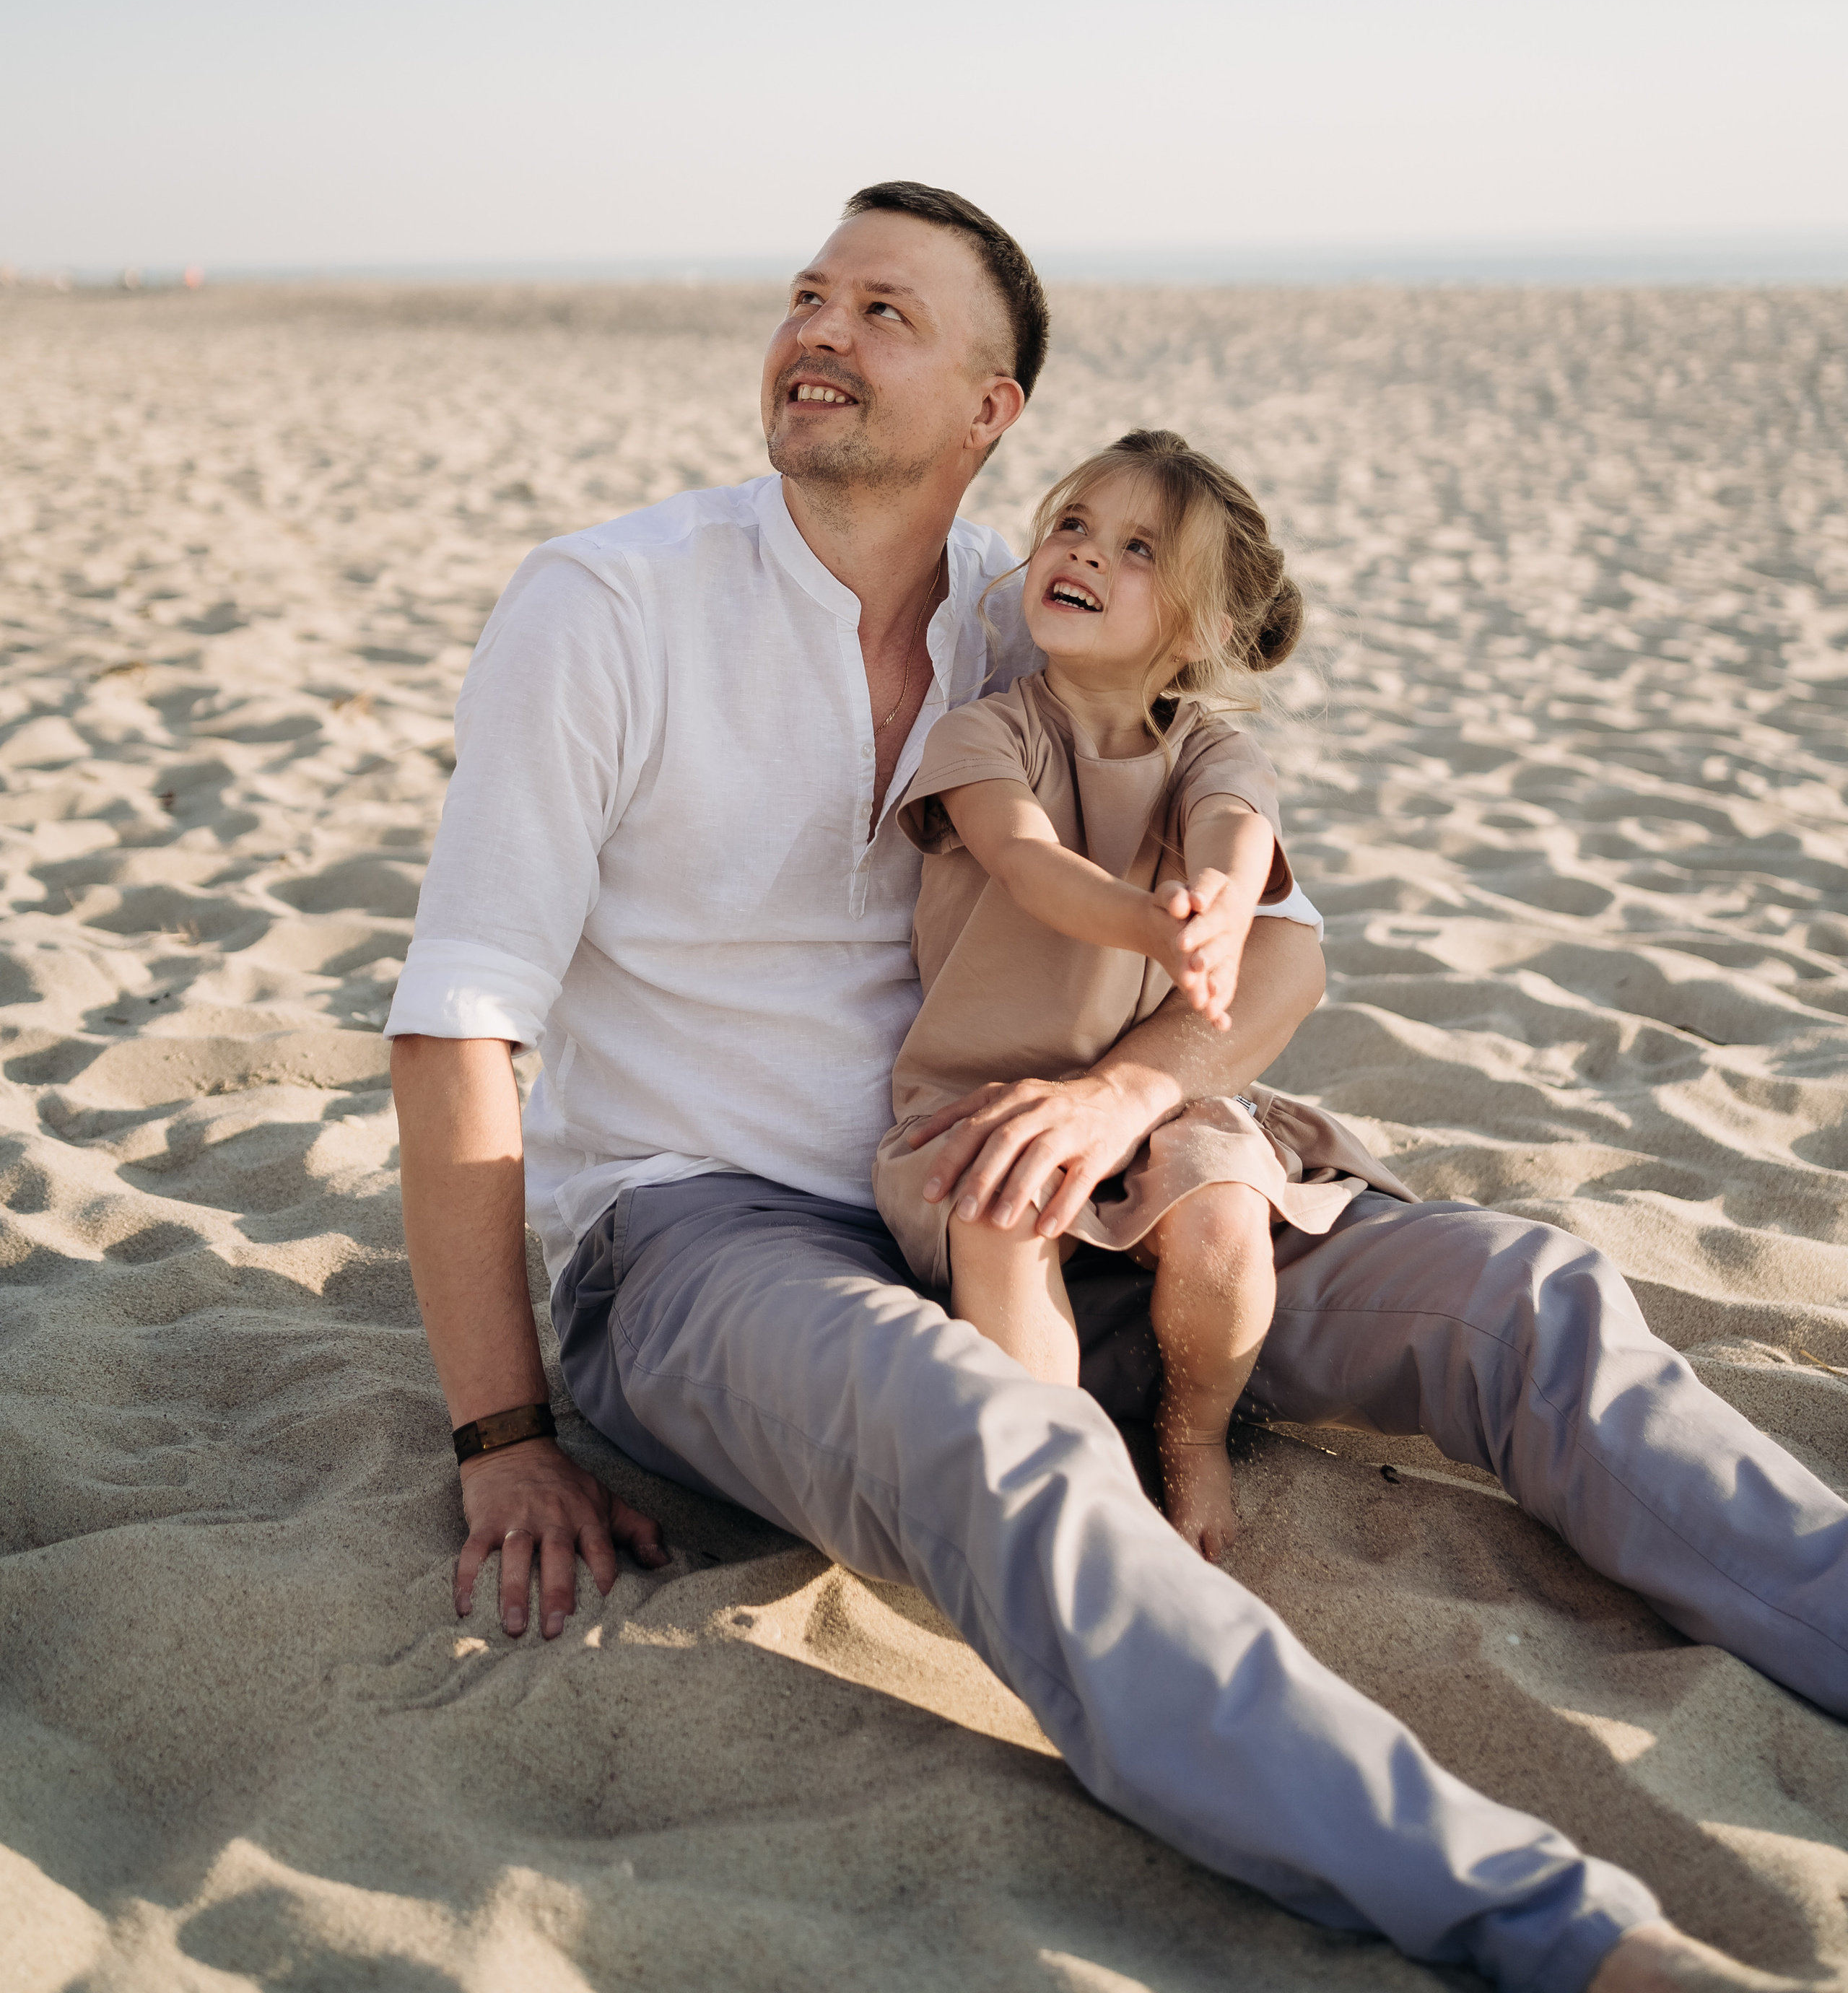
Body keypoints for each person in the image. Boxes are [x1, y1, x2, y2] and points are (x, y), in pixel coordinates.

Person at [388, 180, 1835, 1993]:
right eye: (807, 296)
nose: (821, 333)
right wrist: (502, 1439)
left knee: (1519, 1293)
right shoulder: (605, 604)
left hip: (1082, 1181)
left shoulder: (1048, 608)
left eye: (886, 313)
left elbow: (1282, 951)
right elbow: (457, 1024)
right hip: (714, 1231)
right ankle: (1567, 1940)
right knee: (1002, 1442)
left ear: (993, 411)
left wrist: (1118, 1097)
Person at [873, 426, 1415, 1560]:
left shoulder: (1209, 749)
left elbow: (1233, 826)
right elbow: (1025, 864)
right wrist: (1156, 927)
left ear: (1205, 629)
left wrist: (1218, 901)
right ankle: (1072, 1486)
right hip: (982, 1093)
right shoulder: (986, 732)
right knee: (1000, 1213)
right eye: (1070, 526)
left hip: (1154, 1100)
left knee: (1222, 1221)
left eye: (1137, 551)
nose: (1082, 554)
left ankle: (1196, 1431)